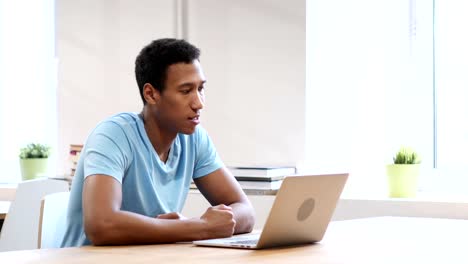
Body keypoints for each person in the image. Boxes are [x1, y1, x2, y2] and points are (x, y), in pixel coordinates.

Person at [61, 38, 255, 246]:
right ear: (151, 94)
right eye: (186, 91)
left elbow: (246, 212)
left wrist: (197, 226)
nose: (199, 103)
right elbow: (101, 225)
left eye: (201, 89)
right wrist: (200, 227)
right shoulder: (113, 135)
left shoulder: (194, 139)